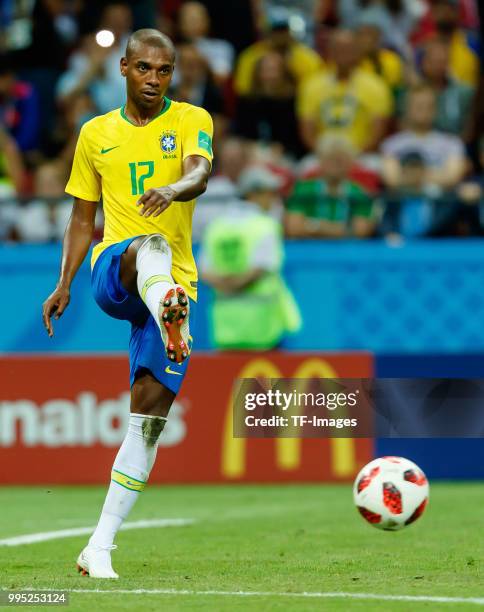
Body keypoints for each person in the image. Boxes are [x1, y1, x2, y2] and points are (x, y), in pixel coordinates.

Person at [42, 29, 213, 579]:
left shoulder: (191, 118)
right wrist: (64, 282)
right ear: (123, 68)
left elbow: (201, 171)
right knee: (149, 245)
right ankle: (167, 302)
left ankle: (99, 546)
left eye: (163, 71)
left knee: (148, 417)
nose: (154, 80)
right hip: (116, 269)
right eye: (144, 69)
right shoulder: (95, 134)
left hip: (176, 284)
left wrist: (175, 189)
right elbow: (81, 218)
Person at [200, 167, 300, 349]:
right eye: (270, 194)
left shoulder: (216, 226)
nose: (273, 200)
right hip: (263, 329)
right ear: (253, 194)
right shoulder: (265, 225)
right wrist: (237, 284)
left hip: (225, 327)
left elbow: (204, 271)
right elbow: (261, 268)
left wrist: (227, 285)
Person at [297, 29, 393, 153]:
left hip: (362, 156)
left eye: (348, 49)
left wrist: (354, 157)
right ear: (329, 52)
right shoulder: (312, 84)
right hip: (321, 155)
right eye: (338, 49)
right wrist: (326, 158)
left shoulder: (376, 86)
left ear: (358, 52)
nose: (343, 54)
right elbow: (307, 132)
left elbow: (377, 133)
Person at [286, 134, 376, 238]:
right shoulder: (303, 190)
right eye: (330, 159)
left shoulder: (359, 193)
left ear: (350, 163)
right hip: (309, 250)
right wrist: (343, 230)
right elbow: (294, 229)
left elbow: (361, 231)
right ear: (320, 161)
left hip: (347, 251)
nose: (335, 165)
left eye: (340, 160)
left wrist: (314, 226)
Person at [381, 85, 466, 191]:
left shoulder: (452, 142)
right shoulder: (392, 144)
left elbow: (453, 177)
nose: (424, 111)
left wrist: (411, 176)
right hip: (403, 203)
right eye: (419, 106)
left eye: (429, 106)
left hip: (441, 205)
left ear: (436, 109)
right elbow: (391, 180)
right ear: (407, 109)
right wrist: (438, 174)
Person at [234, 7, 322, 96]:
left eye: (283, 30)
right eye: (275, 30)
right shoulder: (250, 56)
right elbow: (243, 90)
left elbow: (315, 88)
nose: (279, 35)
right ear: (266, 32)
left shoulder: (307, 57)